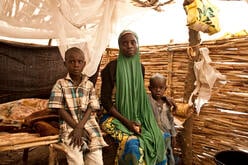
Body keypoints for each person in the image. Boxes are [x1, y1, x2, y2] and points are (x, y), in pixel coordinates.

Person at [100, 30, 166, 165]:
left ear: (137, 45)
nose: (129, 46)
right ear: (119, 46)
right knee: (133, 144)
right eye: (125, 43)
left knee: (159, 137)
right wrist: (126, 121)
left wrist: (165, 99)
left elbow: (138, 95)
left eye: (133, 42)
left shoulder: (140, 68)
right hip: (113, 117)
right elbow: (105, 102)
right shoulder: (111, 68)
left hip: (136, 116)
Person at [48, 47, 108, 165]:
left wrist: (80, 127)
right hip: (70, 128)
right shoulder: (60, 84)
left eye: (79, 62)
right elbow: (59, 109)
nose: (76, 65)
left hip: (89, 126)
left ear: (84, 64)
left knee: (96, 160)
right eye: (72, 61)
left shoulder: (89, 85)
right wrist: (77, 128)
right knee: (76, 160)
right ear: (65, 64)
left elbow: (92, 107)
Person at [148, 73, 177, 165]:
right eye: (154, 87)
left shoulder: (166, 103)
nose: (158, 90)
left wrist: (173, 135)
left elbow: (171, 120)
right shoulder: (147, 100)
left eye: (161, 88)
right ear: (149, 88)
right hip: (154, 135)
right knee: (157, 156)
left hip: (167, 134)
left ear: (165, 89)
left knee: (169, 154)